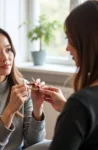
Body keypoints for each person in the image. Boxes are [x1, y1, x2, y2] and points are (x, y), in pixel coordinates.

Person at [39, 0, 98, 150]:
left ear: (86, 43)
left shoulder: (80, 105)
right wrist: (67, 108)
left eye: (70, 39)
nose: (66, 48)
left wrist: (72, 110)